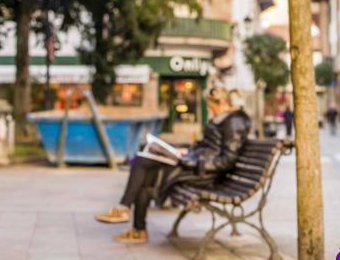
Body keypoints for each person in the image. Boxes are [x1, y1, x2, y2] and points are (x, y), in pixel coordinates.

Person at [94, 89, 251, 243]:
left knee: (142, 161)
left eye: (212, 107)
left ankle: (125, 210)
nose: (210, 110)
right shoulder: (222, 119)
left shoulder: (234, 121)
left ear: (222, 103)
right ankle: (137, 228)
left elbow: (227, 160)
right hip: (196, 164)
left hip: (205, 173)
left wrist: (193, 162)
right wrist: (187, 152)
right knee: (145, 170)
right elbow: (207, 146)